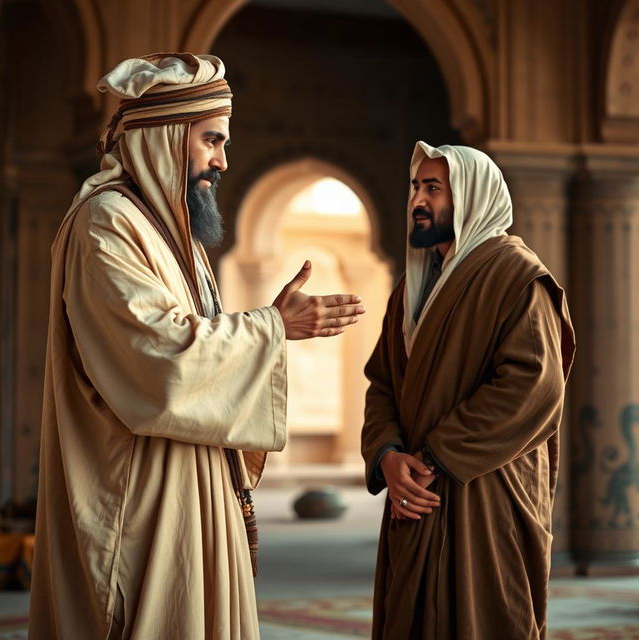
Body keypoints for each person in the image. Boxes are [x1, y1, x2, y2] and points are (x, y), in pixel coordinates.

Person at [29, 53, 365, 640]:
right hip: (144, 500)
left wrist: (267, 327)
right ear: (163, 137)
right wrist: (272, 327)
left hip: (196, 484)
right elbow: (157, 361)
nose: (222, 160)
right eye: (211, 140)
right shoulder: (107, 223)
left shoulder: (173, 233)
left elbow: (193, 340)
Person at [361, 142, 575, 639]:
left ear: (471, 197)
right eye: (417, 186)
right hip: (415, 489)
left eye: (434, 188)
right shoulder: (412, 290)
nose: (419, 199)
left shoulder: (518, 277)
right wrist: (389, 454)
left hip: (484, 492)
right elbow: (383, 383)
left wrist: (433, 457)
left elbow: (532, 387)